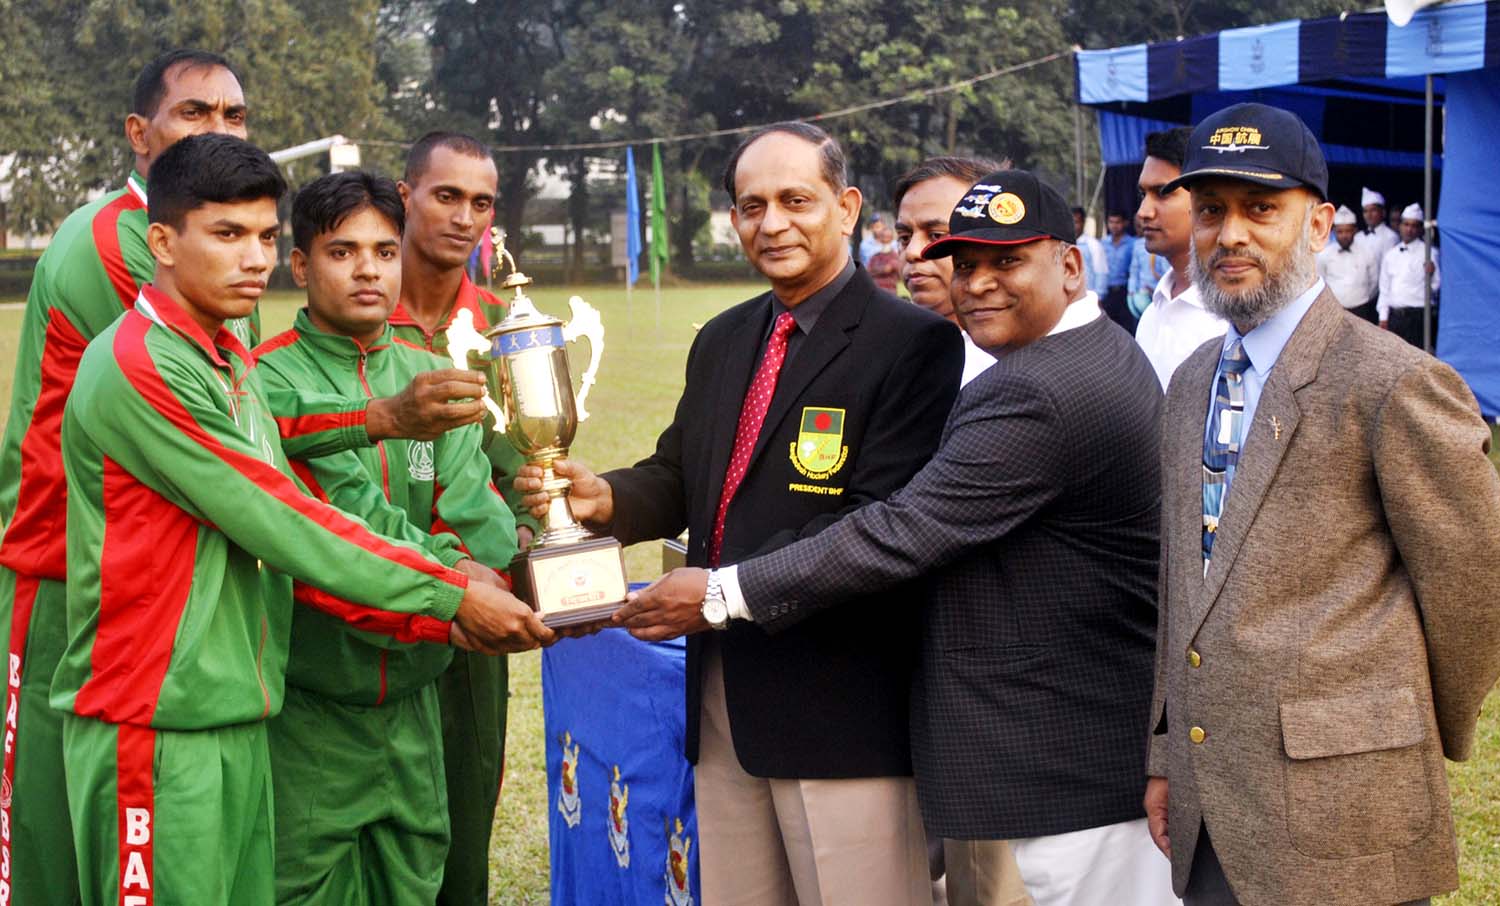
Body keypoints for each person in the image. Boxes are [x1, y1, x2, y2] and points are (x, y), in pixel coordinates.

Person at [0, 49, 487, 904]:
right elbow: (281, 514)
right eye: (228, 235)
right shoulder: (146, 357)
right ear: (161, 237)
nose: (253, 258)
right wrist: (452, 592)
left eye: (265, 235)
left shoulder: (229, 356)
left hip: (233, 706)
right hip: (151, 713)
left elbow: (292, 491)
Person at [617, 169, 1174, 906]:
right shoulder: (1087, 354)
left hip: (1065, 766)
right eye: (965, 264)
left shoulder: (1040, 387)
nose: (977, 284)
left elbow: (901, 530)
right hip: (1067, 752)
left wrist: (723, 589)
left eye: (1007, 262)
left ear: (1070, 265)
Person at [519, 122, 963, 906]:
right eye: (751, 205)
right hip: (725, 701)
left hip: (842, 707)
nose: (773, 222)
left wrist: (721, 592)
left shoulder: (913, 344)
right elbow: (681, 473)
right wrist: (606, 499)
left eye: (796, 200)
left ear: (847, 207)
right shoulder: (725, 338)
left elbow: (880, 524)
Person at [1143, 101, 1500, 906]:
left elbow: (1475, 586)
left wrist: (1391, 728)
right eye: (1210, 212)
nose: (1230, 234)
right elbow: (1184, 585)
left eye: (1261, 209)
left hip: (1348, 809)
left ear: (1319, 224)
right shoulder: (1192, 380)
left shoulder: (1393, 381)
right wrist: (1167, 754)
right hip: (1211, 802)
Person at [255, 171, 524, 905]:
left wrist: (490, 565)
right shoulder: (268, 381)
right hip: (313, 708)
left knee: (415, 883)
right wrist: (458, 585)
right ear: (301, 265)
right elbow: (341, 527)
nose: (368, 268)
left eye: (382, 250)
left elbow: (471, 509)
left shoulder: (437, 374)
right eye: (342, 252)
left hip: (416, 703)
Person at [388, 129, 541, 906]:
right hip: (371, 607)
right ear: (405, 193)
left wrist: (527, 535)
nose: (464, 217)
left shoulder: (504, 330)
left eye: (481, 202)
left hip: (478, 602)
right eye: (446, 195)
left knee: (464, 806)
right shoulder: (354, 310)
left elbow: (528, 471)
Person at [891, 155, 1032, 906]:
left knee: (992, 886)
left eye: (938, 234)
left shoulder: (1022, 374)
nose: (914, 254)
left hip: (995, 702)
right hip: (899, 682)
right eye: (905, 232)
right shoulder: (897, 360)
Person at [893, 155, 1009, 386]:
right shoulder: (886, 346)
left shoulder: (1013, 363)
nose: (913, 252)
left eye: (936, 236)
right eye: (905, 238)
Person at [1133, 126, 1226, 390]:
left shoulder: (1235, 316)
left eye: (1163, 193)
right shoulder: (1152, 313)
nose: (1143, 212)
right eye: (1143, 195)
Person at [1378, 202, 1440, 349]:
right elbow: (1385, 289)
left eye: (1414, 226)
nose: (1409, 229)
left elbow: (1436, 287)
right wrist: (1383, 317)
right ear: (1400, 226)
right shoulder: (1391, 255)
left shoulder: (1430, 253)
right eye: (1406, 225)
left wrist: (1431, 275)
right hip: (1396, 317)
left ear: (1419, 229)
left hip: (1418, 317)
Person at [1316, 205, 1380, 323]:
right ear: (1334, 231)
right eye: (1340, 231)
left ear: (1355, 230)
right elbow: (1320, 280)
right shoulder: (1325, 254)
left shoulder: (1367, 252)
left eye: (1348, 231)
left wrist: (1361, 297)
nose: (1344, 235)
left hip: (1361, 310)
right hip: (1334, 310)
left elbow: (1374, 283)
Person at [1101, 209, 1138, 332]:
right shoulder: (1103, 243)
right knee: (1107, 330)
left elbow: (1135, 269)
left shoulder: (1133, 243)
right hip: (1107, 292)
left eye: (1118, 222)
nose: (1114, 226)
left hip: (1124, 291)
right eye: (1111, 222)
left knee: (1126, 329)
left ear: (1125, 223)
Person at [1353, 186, 1399, 268]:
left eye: (1373, 210)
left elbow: (1390, 267)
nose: (1369, 215)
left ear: (1383, 212)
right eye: (1365, 211)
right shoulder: (1358, 237)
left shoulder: (1391, 237)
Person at [1071, 206, 1108, 297]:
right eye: (1070, 222)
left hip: (1088, 299)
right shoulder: (1063, 245)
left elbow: (1101, 273)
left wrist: (1098, 298)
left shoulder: (1093, 245)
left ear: (1083, 223)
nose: (1072, 226)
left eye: (1076, 222)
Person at [867, 221, 902, 291]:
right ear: (880, 238)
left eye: (888, 236)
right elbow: (868, 272)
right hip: (876, 291)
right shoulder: (874, 257)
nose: (885, 238)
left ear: (892, 238)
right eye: (883, 236)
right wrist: (884, 269)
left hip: (890, 291)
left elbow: (899, 274)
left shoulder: (895, 256)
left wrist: (876, 270)